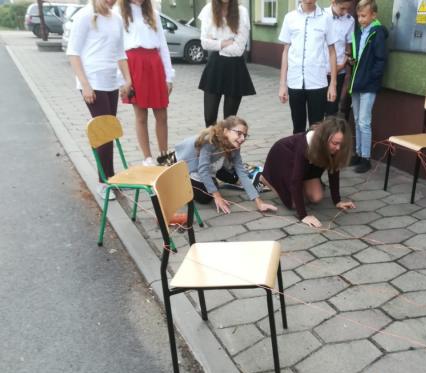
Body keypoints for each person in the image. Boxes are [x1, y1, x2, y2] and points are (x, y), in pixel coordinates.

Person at [67, 0, 132, 200]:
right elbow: (73, 53)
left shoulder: (116, 18)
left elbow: (120, 53)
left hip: (111, 81)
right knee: (102, 133)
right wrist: (85, 85)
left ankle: (110, 177)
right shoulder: (85, 15)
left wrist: (127, 80)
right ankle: (103, 182)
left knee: (108, 132)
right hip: (93, 82)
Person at [261, 116, 356, 228]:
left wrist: (337, 201)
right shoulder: (304, 145)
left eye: (341, 144)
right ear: (324, 139)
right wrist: (303, 216)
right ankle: (266, 178)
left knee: (316, 197)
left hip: (308, 167)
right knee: (293, 204)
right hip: (283, 157)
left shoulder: (334, 147)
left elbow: (333, 170)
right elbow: (296, 180)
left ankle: (300, 185)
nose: (338, 148)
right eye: (335, 143)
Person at [175, 116, 276, 214]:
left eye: (245, 135)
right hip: (187, 165)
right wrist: (217, 196)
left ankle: (218, 176)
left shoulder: (235, 144)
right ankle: (178, 182)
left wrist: (258, 201)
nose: (242, 138)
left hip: (213, 163)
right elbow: (203, 170)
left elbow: (241, 172)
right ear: (226, 131)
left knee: (233, 177)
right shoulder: (209, 141)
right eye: (239, 133)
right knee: (205, 197)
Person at [116, 0, 175, 167]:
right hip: (133, 65)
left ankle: (164, 155)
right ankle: (147, 157)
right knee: (141, 116)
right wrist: (122, 79)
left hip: (154, 65)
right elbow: (117, 49)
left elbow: (163, 46)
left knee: (162, 114)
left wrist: (169, 77)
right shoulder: (119, 15)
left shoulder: (153, 14)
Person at [278, 0, 338, 134]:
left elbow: (332, 52)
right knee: (298, 128)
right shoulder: (290, 17)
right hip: (295, 82)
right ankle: (299, 148)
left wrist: (333, 84)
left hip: (317, 82)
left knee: (316, 129)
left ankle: (314, 149)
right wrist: (282, 84)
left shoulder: (326, 19)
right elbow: (285, 51)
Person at [198, 0, 255, 127]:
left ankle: (226, 140)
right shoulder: (208, 10)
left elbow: (239, 49)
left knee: (229, 120)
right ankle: (212, 140)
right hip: (215, 67)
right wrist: (226, 42)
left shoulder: (242, 12)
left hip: (235, 69)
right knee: (209, 117)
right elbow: (204, 43)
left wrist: (216, 43)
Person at [348, 0, 387, 173]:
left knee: (364, 122)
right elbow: (360, 57)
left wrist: (371, 78)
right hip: (357, 83)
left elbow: (381, 60)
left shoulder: (377, 33)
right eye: (358, 16)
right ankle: (357, 153)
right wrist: (352, 60)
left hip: (368, 85)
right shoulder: (361, 32)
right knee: (357, 120)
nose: (360, 19)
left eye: (364, 16)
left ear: (374, 15)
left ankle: (366, 158)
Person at [324, 0, 354, 117]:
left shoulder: (350, 20)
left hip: (338, 71)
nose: (345, 12)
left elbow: (349, 47)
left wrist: (342, 65)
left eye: (348, 9)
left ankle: (330, 129)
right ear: (333, 2)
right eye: (342, 8)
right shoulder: (321, 15)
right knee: (317, 108)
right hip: (320, 71)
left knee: (332, 108)